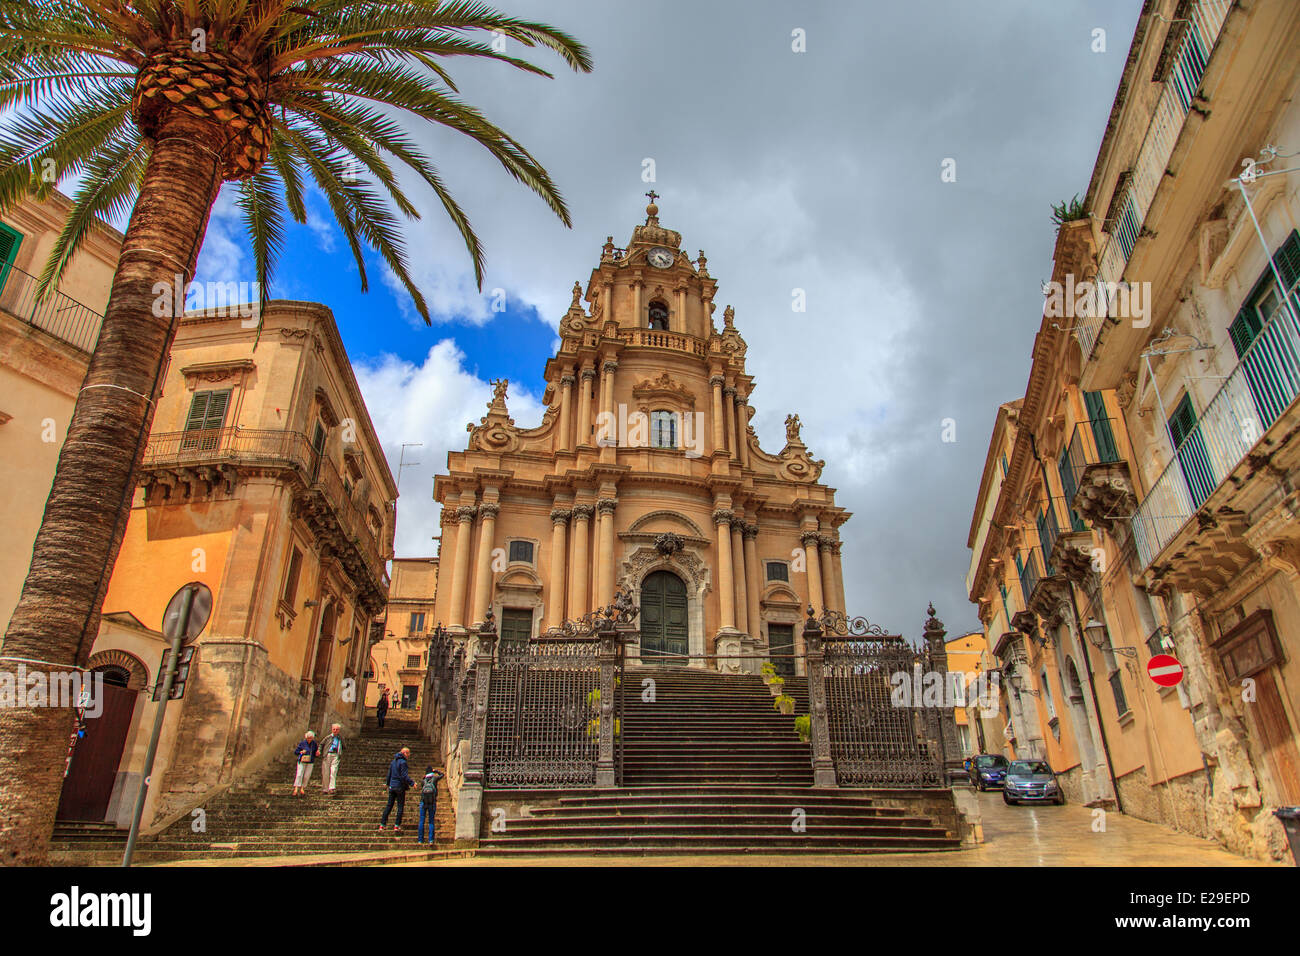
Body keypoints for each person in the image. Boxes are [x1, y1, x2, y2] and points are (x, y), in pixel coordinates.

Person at [379, 746, 413, 831]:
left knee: (389, 805)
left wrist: (387, 784)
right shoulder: (403, 762)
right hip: (399, 787)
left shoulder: (393, 762)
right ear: (404, 753)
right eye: (408, 753)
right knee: (400, 806)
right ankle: (397, 825)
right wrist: (412, 783)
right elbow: (404, 775)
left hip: (392, 786)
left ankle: (382, 824)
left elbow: (389, 774)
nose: (409, 755)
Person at [417, 765, 445, 845]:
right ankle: (431, 840)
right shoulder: (435, 779)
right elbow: (442, 775)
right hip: (432, 802)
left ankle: (420, 840)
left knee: (421, 820)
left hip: (423, 802)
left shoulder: (423, 781)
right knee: (431, 821)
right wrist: (436, 771)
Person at [319, 723, 344, 795]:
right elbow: (321, 744)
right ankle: (325, 789)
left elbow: (344, 745)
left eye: (337, 729)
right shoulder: (328, 737)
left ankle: (332, 788)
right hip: (328, 754)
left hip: (336, 755)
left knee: (333, 771)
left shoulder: (340, 738)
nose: (335, 730)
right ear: (332, 729)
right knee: (326, 772)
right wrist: (319, 751)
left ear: (339, 730)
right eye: (334, 729)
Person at [292, 730, 318, 796]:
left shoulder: (314, 743)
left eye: (311, 738)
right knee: (299, 774)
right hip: (302, 760)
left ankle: (302, 787)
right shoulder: (302, 743)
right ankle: (296, 787)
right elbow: (296, 752)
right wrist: (301, 752)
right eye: (308, 738)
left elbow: (315, 752)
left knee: (307, 775)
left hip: (310, 761)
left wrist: (317, 753)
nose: (309, 739)